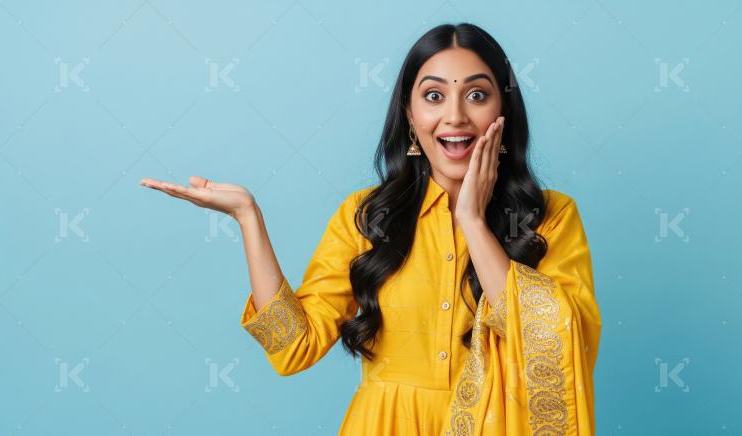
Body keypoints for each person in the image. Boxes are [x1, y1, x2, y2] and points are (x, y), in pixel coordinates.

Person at [140, 22, 601, 436]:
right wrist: (248, 218)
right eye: (434, 95)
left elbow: (553, 348)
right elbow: (291, 347)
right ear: (408, 113)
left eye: (477, 95)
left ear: (504, 107)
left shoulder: (551, 217)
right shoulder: (364, 217)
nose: (456, 116)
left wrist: (473, 222)